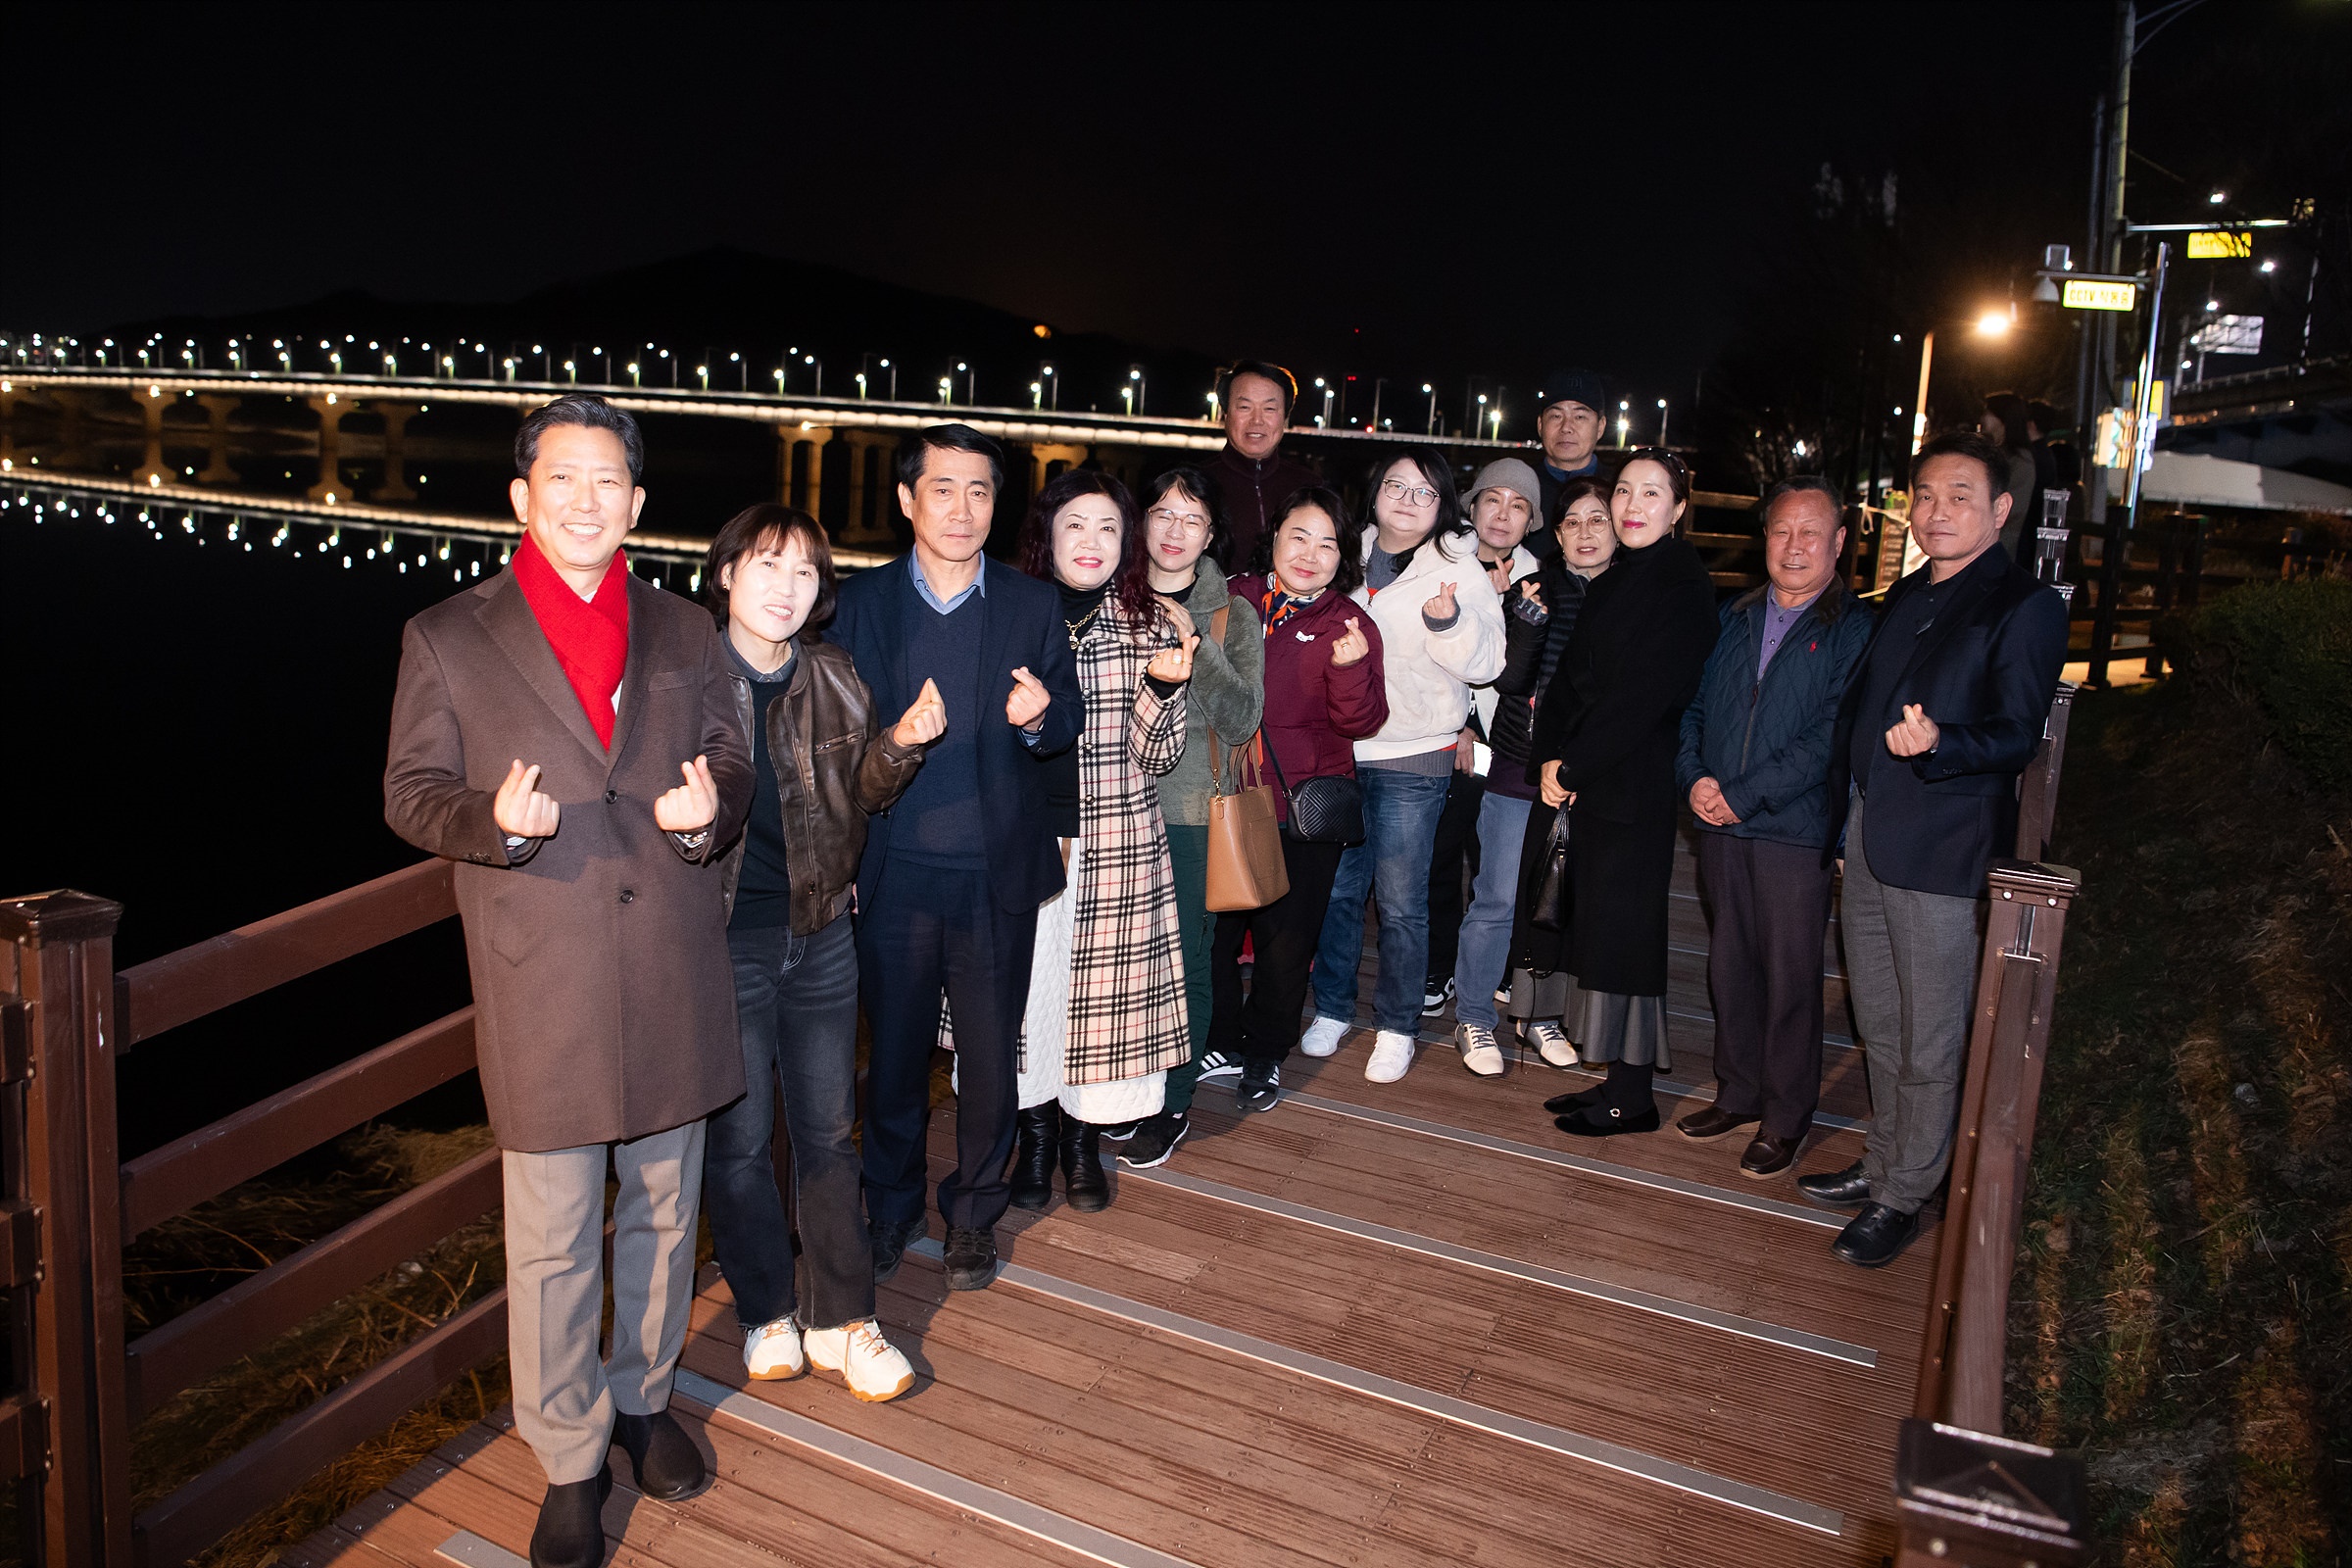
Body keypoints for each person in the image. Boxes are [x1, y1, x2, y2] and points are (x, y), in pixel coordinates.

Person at [383, 395, 753, 1568]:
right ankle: (567, 1454)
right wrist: (491, 824)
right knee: (550, 1236)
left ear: (637, 502)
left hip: (670, 960)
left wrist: (711, 813)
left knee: (664, 1206)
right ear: (522, 496)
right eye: (562, 479)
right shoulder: (449, 634)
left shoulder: (687, 628)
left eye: (608, 482)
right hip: (540, 971)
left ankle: (643, 1397)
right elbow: (410, 792)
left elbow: (733, 757)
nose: (586, 501)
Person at [1799, 429, 2067, 1267]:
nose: (1937, 511)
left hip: (1942, 850)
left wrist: (1942, 741)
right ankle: (1886, 1161)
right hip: (1870, 834)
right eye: (1925, 495)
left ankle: (1908, 1193)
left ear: (2000, 509)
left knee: (1930, 1035)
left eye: (1959, 496)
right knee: (1880, 1021)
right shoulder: (1910, 591)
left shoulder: (2023, 605)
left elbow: (2017, 731)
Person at [827, 424, 1083, 1294]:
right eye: (943, 488)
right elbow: (834, 742)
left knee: (989, 1057)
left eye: (979, 491)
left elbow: (1067, 718)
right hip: (893, 873)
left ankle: (974, 1209)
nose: (963, 508)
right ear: (908, 499)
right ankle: (891, 1206)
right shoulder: (858, 604)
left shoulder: (1030, 603)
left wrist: (1041, 719)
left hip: (994, 873)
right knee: (894, 1058)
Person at [700, 505, 944, 1404]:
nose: (787, 587)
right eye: (767, 566)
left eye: (805, 572)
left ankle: (844, 1319)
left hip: (821, 934)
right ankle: (765, 1308)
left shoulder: (833, 675)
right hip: (724, 945)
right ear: (726, 573)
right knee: (738, 1141)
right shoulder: (685, 682)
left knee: (827, 1136)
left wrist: (901, 747)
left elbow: (859, 794)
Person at [995, 471, 1199, 1205]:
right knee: (1027, 995)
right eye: (1075, 525)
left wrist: (1165, 689)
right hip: (1024, 836)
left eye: (1109, 527)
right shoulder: (1007, 615)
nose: (1091, 541)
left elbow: (1157, 758)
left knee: (1102, 1007)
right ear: (1046, 535)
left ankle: (1081, 1143)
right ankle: (1034, 1138)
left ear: (1127, 541)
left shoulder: (1151, 625)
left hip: (1116, 839)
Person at [1672, 477, 1872, 1177]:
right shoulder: (1735, 615)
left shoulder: (1853, 627)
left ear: (1838, 541)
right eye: (1781, 530)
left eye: (1810, 532)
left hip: (1793, 825)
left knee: (1790, 975)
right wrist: (1695, 778)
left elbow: (1831, 736)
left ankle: (1786, 1116)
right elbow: (1693, 708)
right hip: (1718, 819)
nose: (1793, 546)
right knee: (1730, 963)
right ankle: (1738, 1091)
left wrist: (1743, 795)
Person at [1526, 449, 1719, 1136]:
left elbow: (1641, 699)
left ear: (1679, 508)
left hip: (1633, 784)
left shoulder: (1682, 585)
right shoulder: (1619, 577)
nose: (1633, 505)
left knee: (1628, 936)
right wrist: (1549, 758)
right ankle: (1613, 1075)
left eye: (1652, 493)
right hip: (1590, 778)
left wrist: (1572, 767)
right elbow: (1570, 683)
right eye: (1626, 491)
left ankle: (1633, 1096)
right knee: (1598, 932)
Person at [1299, 451, 1505, 1082]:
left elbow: (1489, 663)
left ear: (1442, 503)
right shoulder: (1344, 553)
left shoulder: (1460, 566)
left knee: (1401, 899)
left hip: (1415, 751)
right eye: (1396, 486)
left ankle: (1396, 1024)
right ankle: (1333, 1008)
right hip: (1339, 748)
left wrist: (1448, 622)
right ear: (1375, 493)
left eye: (1424, 492)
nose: (1408, 500)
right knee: (1339, 893)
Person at [1212, 488, 1389, 1110]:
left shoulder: (1350, 623)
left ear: (1343, 557)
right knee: (1215, 932)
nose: (1310, 555)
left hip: (1301, 808)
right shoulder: (1231, 597)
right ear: (1274, 539)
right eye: (1298, 537)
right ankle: (1220, 1038)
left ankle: (1266, 1051)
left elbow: (1364, 722)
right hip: (1226, 796)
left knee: (1286, 941)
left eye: (1327, 544)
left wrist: (1350, 668)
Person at [1120, 466, 1264, 1167]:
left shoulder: (1232, 614)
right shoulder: (1109, 594)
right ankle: (1123, 1091)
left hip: (1188, 814)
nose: (1176, 531)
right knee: (1120, 962)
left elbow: (1242, 721)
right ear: (1142, 521)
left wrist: (1197, 648)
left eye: (1193, 518)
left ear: (1211, 534)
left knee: (1184, 963)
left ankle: (1173, 1102)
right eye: (1163, 513)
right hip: (1111, 809)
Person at [1426, 458, 1544, 1072]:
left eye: (1518, 505)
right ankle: (1439, 970)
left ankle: (1498, 978)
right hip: (1450, 733)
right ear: (1470, 507)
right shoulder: (1440, 561)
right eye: (1492, 500)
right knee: (1442, 856)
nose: (1502, 514)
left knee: (1500, 870)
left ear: (1531, 520)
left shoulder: (1538, 577)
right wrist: (1463, 723)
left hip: (1512, 748)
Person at [1495, 478, 1618, 1068]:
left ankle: (1576, 1013)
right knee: (1541, 888)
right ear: (1558, 534)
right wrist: (1525, 625)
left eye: (1598, 520)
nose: (1585, 533)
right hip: (1539, 765)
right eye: (1573, 522)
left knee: (1591, 895)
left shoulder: (1631, 592)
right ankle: (1535, 1015)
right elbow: (1511, 680)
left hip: (1607, 766)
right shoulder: (1535, 589)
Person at [1200, 360, 1323, 569]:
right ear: (1225, 414)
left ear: (1285, 417)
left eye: (1269, 408)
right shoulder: (1196, 485)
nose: (1257, 420)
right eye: (1245, 407)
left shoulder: (1311, 488)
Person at [1529, 369, 1613, 540]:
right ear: (1540, 425)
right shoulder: (1520, 491)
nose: (1566, 427)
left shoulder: (1617, 492)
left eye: (1579, 417)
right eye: (1556, 416)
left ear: (1600, 427)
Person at [1980, 391, 2038, 561]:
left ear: (2002, 418)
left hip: (1998, 547)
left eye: (1987, 413)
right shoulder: (1997, 453)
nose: (1982, 418)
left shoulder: (2020, 461)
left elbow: (2014, 509)